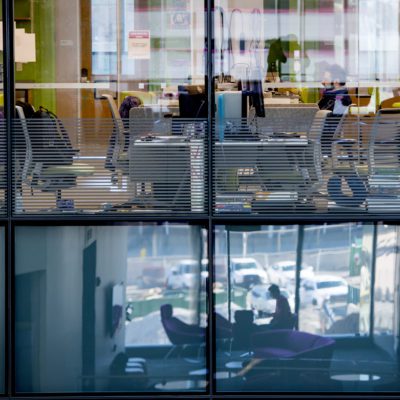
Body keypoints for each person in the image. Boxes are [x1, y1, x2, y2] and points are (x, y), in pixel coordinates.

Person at [318, 64, 352, 156]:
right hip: (325, 137)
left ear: (336, 81)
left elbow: (320, 118)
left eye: (326, 79)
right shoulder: (340, 96)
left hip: (322, 137)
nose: (322, 82)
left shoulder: (334, 99)